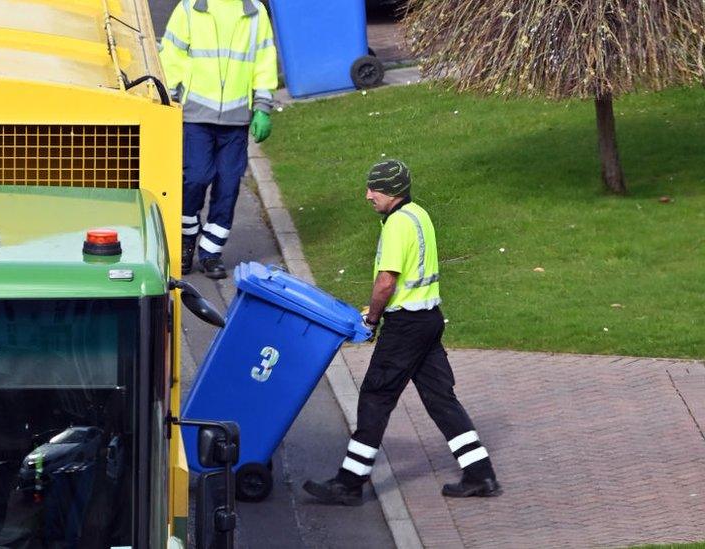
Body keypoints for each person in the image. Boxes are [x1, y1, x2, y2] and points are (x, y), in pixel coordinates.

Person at [303, 160, 502, 505]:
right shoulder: (419, 214)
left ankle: (349, 484)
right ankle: (480, 473)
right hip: (428, 320)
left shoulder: (396, 225)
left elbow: (387, 281)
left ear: (391, 191)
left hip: (406, 326)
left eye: (374, 189)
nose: (368, 195)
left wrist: (372, 319)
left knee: (376, 397)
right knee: (441, 398)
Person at [159, 0, 278, 279]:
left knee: (228, 185)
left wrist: (263, 107)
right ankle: (186, 240)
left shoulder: (255, 13)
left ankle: (211, 252)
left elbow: (264, 61)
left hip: (235, 120)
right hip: (195, 116)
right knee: (196, 178)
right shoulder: (191, 8)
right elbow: (171, 56)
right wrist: (170, 98)